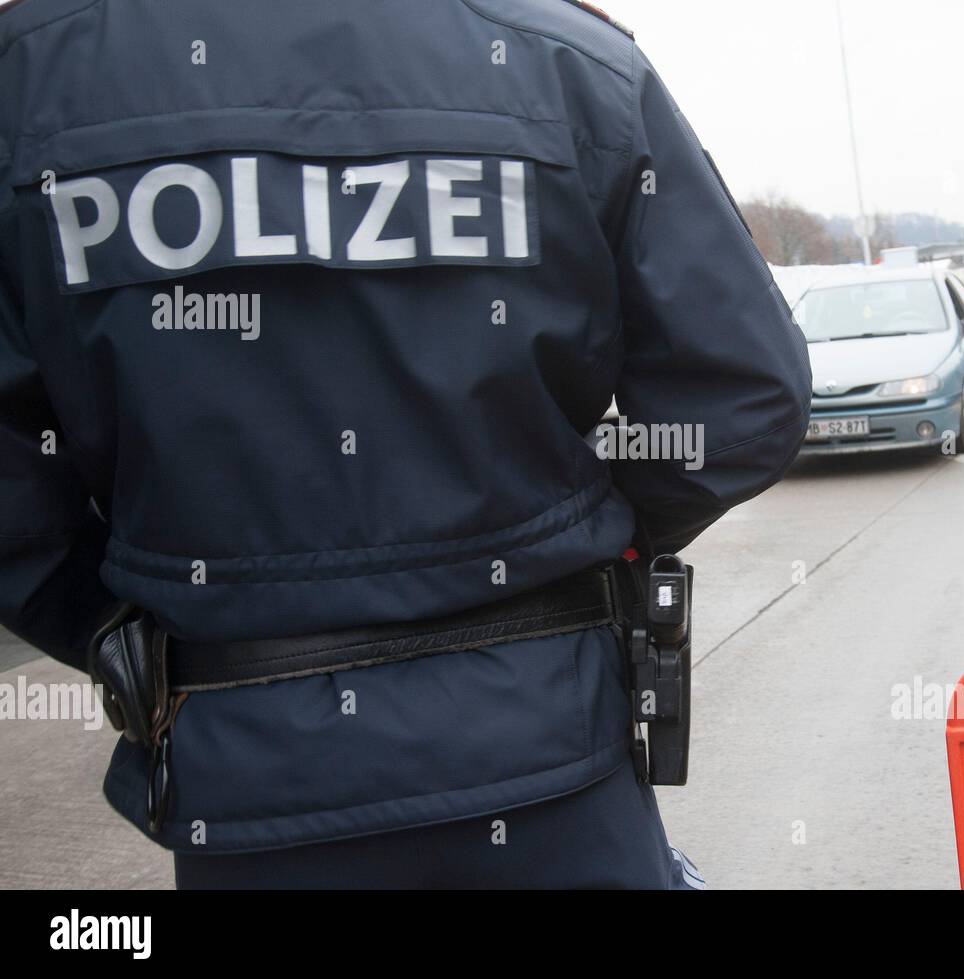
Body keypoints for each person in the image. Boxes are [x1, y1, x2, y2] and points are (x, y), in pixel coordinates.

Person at [0, 0, 811, 888]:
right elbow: (745, 394)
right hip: (544, 752)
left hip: (248, 774)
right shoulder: (561, 61)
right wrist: (576, 540)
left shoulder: (33, 77)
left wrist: (113, 623)